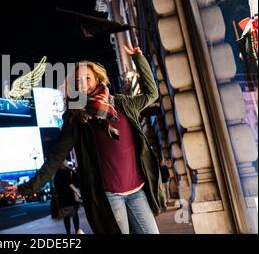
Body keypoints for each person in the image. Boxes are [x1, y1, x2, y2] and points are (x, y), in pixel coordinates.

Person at [19, 45, 166, 234]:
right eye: (77, 81)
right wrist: (31, 186)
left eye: (86, 78)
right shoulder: (76, 118)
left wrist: (138, 57)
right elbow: (56, 157)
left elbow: (151, 94)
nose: (82, 84)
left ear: (97, 79)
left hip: (137, 191)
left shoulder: (121, 104)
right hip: (110, 197)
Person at [54, 160, 84, 234]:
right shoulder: (69, 171)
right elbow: (74, 183)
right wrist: (78, 192)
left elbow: (56, 186)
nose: (67, 162)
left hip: (62, 198)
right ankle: (77, 231)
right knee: (75, 215)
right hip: (71, 197)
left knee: (66, 217)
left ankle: (68, 233)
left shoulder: (57, 174)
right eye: (66, 161)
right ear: (64, 164)